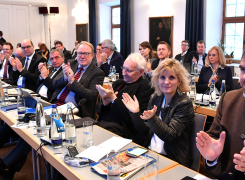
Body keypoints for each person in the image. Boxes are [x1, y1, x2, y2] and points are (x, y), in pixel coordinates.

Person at [122, 58, 194, 167]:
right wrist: (136, 113)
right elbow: (144, 131)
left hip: (171, 158)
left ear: (179, 81)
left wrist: (152, 119)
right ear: (157, 80)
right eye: (162, 77)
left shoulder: (184, 103)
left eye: (172, 78)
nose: (166, 82)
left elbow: (170, 136)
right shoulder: (156, 98)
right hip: (150, 154)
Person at [196, 51, 245, 179]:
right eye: (243, 70)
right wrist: (211, 158)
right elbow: (214, 139)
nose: (244, 78)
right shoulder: (228, 100)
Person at [96, 52, 154, 145]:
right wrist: (105, 103)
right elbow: (98, 111)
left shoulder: (145, 87)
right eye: (123, 68)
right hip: (103, 124)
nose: (123, 73)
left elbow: (134, 119)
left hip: (122, 130)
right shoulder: (118, 83)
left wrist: (114, 99)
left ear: (141, 72)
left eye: (129, 71)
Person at [50, 41, 105, 118]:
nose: (82, 57)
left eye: (86, 53)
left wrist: (72, 81)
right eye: (79, 53)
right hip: (56, 103)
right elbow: (54, 83)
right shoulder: (71, 64)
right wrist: (65, 78)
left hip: (76, 110)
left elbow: (91, 96)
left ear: (92, 55)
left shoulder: (98, 73)